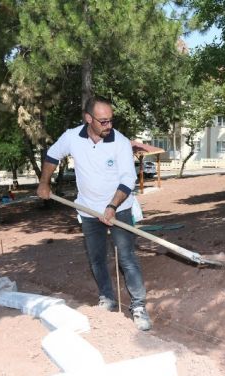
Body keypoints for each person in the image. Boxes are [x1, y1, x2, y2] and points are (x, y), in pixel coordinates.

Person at [37, 96, 151, 331]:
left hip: (120, 208)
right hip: (87, 209)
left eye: (111, 120)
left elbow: (128, 179)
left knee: (127, 258)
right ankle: (107, 299)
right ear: (88, 119)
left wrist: (111, 207)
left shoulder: (119, 142)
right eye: (103, 121)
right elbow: (51, 155)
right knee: (97, 259)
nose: (109, 125)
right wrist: (44, 183)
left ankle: (139, 307)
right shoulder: (72, 137)